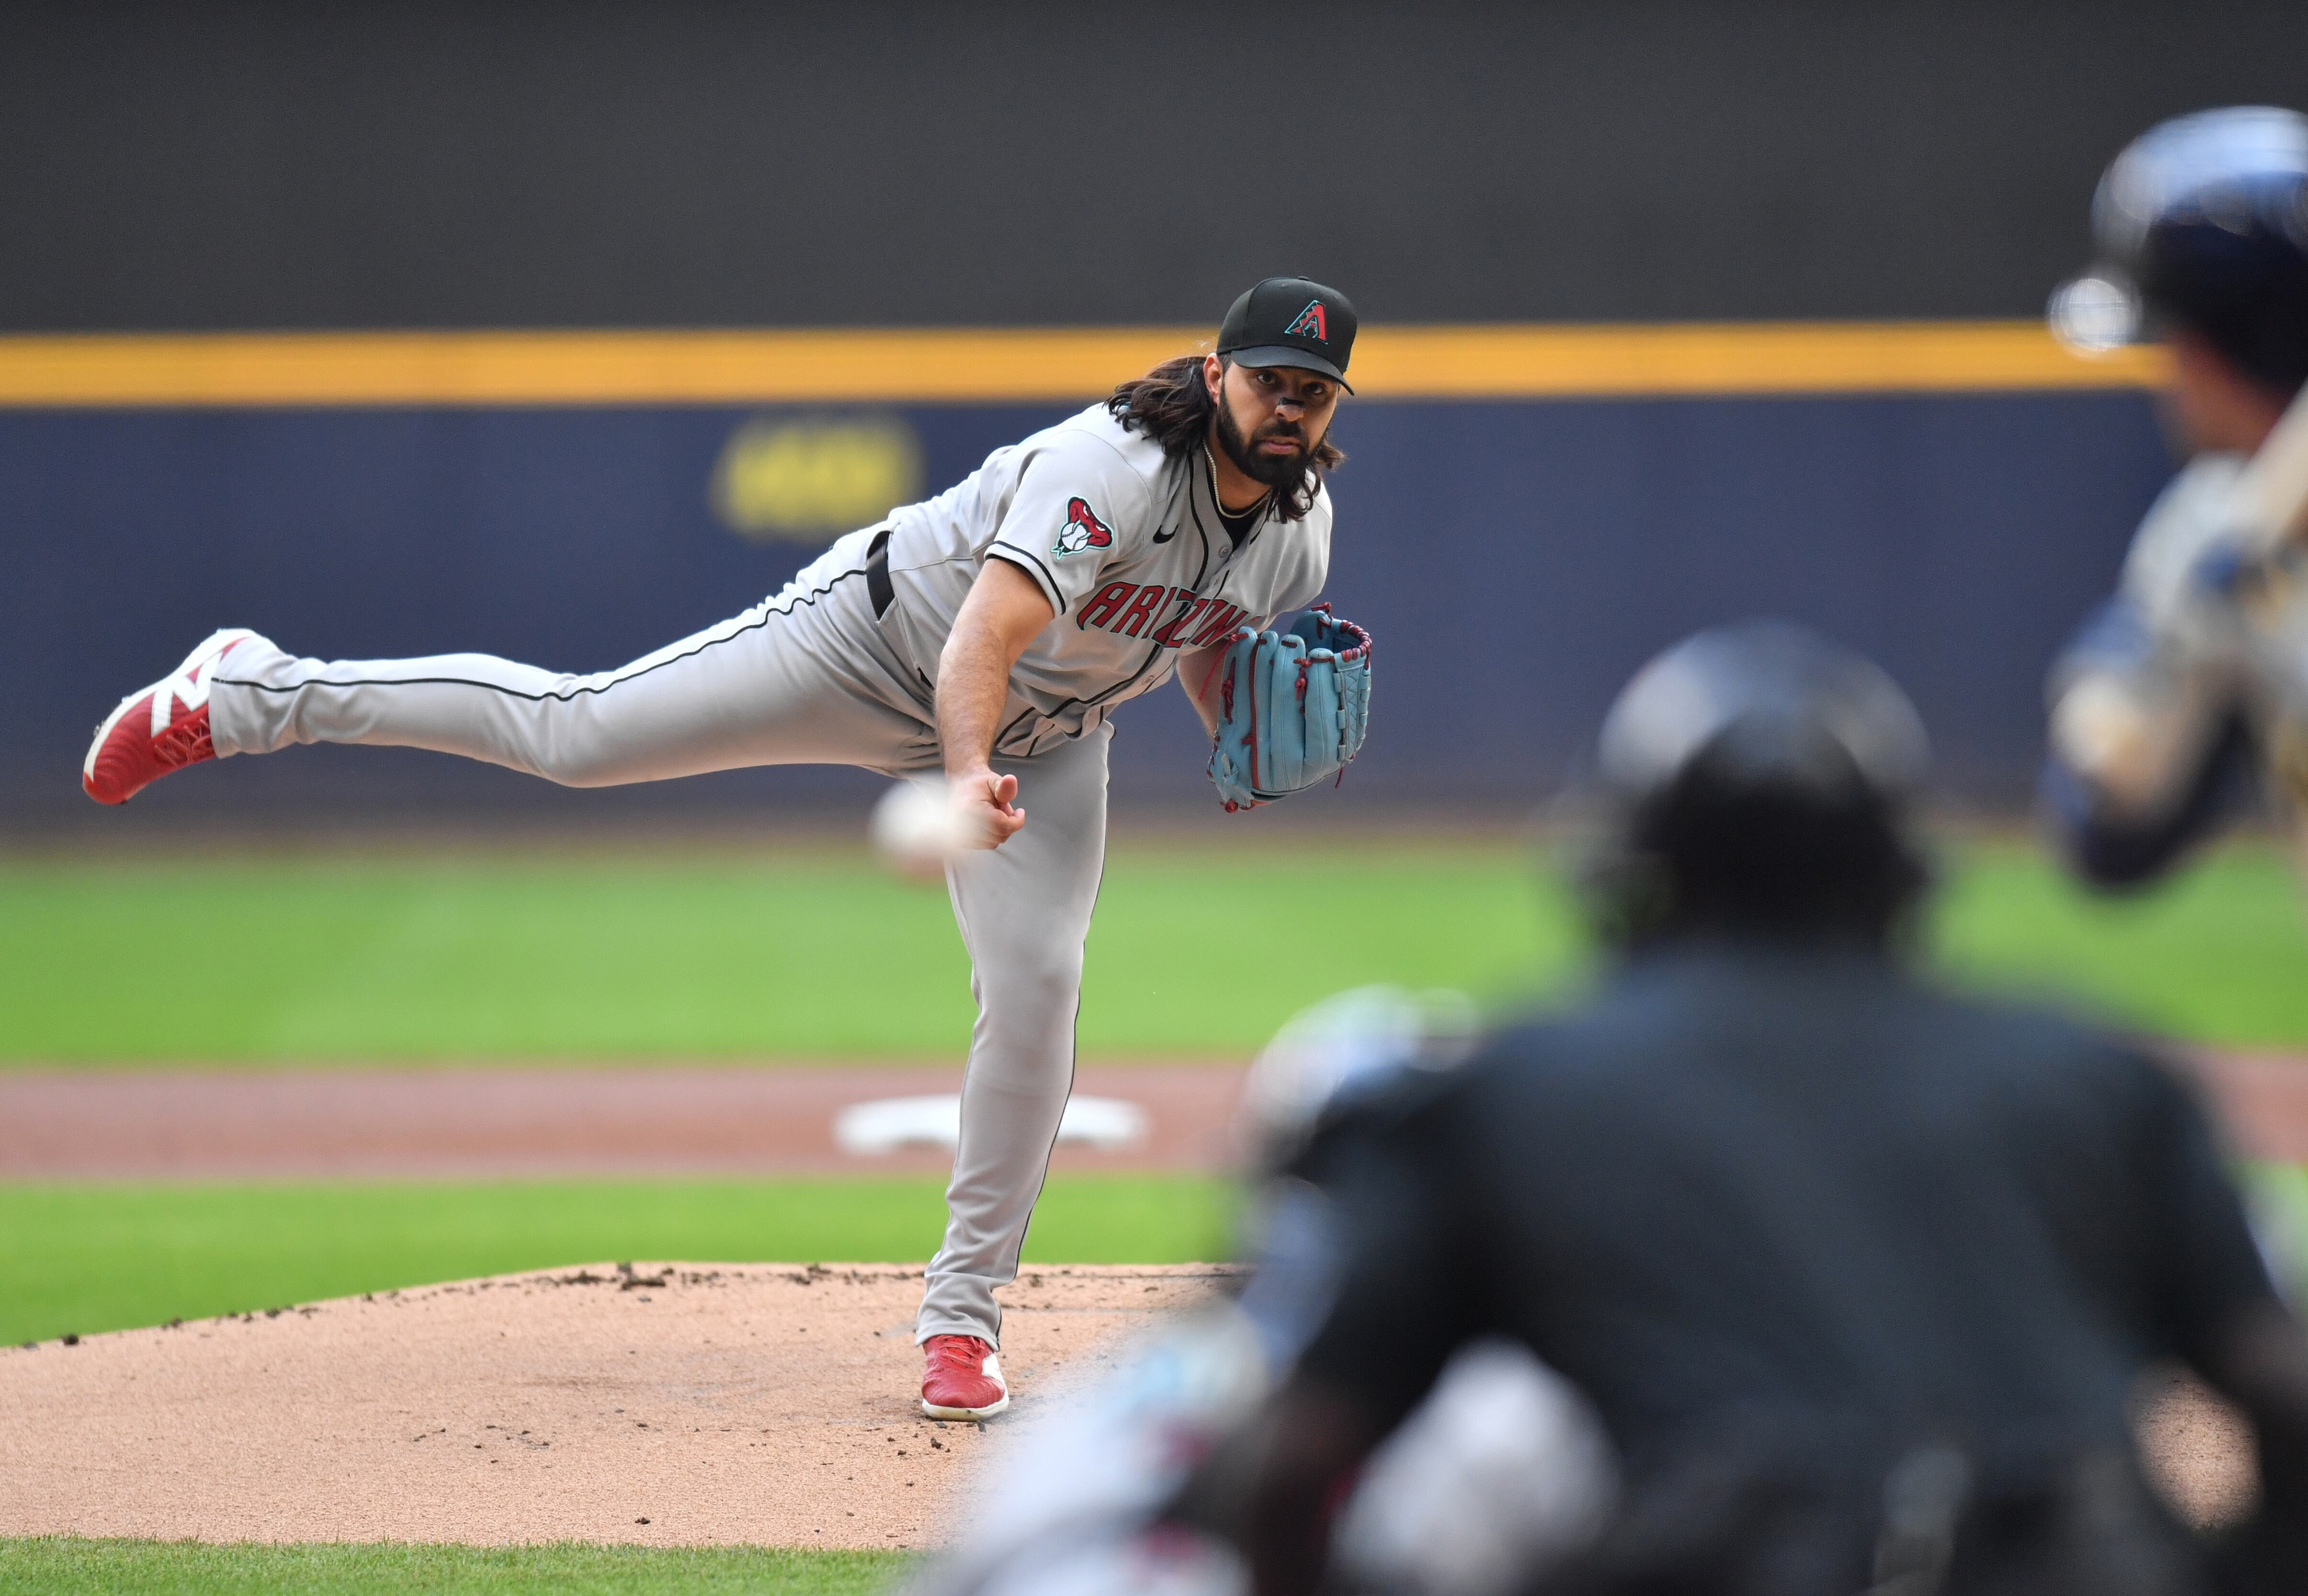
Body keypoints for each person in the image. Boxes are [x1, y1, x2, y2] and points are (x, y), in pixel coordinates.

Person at [78, 276, 1373, 1422]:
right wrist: (967, 770)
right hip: (870, 646)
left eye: (1314, 392)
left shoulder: (1299, 532)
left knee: (1039, 988)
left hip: (1054, 731)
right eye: (1271, 379)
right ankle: (251, 692)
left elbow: (1207, 625)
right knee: (578, 734)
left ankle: (962, 1321)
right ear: (1218, 375)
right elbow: (980, 637)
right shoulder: (1113, 470)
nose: (1289, 407)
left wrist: (1229, 740)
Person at [1188, 623, 2308, 1595]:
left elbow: (1293, 1469)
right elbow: (2298, 1417)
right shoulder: (2103, 1076)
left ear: (1633, 874)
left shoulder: (1506, 1094)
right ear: (1899, 875)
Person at [2042, 106, 2308, 1109]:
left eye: (2178, 342)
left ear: (2234, 348)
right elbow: (2110, 848)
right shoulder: (2208, 529)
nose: (2169, 378)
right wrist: (2121, 700)